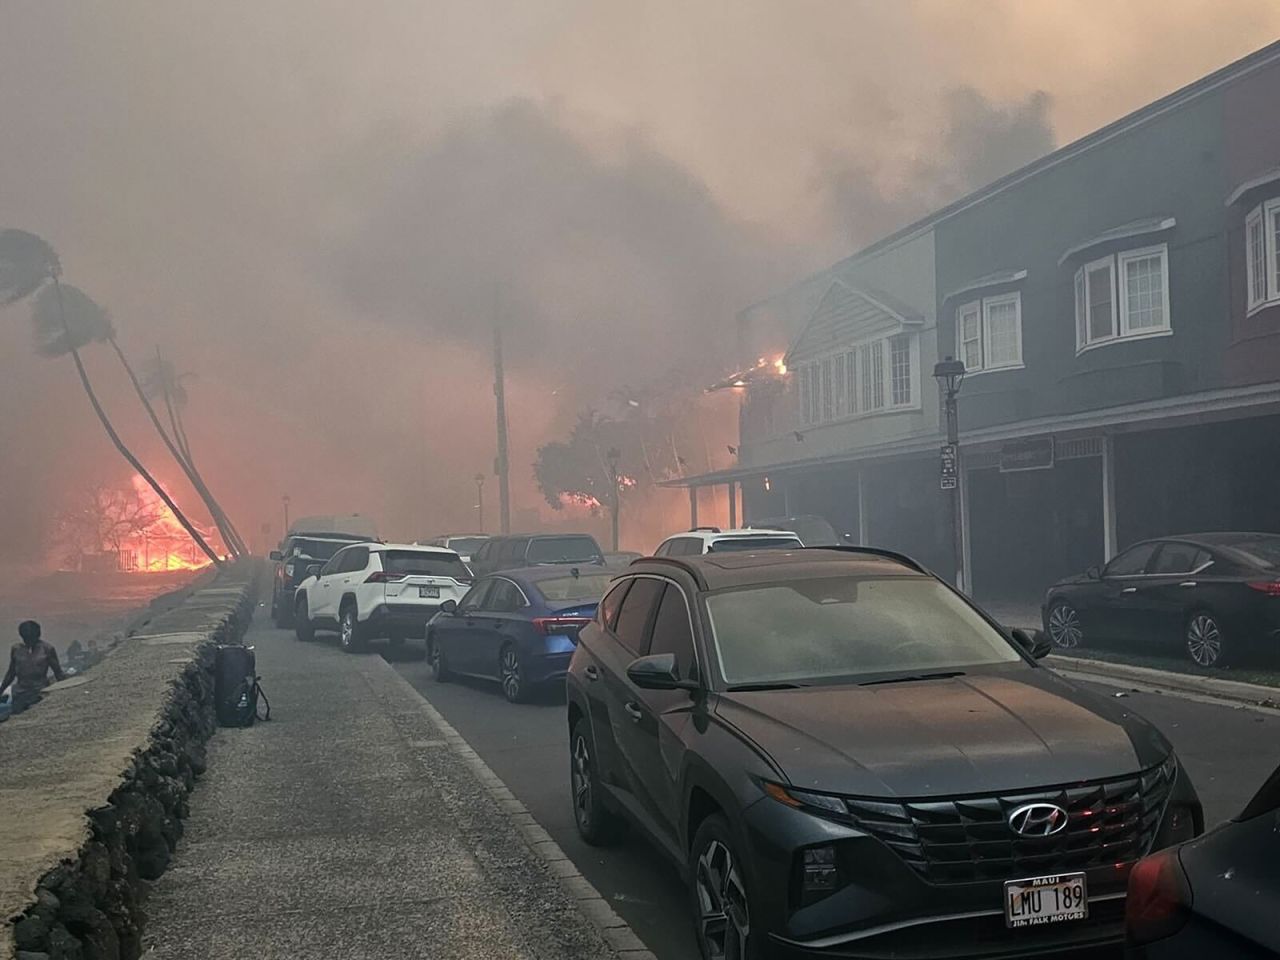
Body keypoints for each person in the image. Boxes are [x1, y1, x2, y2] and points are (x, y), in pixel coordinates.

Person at [0, 621, 66, 716]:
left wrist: (63, 689)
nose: (29, 641)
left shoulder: (47, 649)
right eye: (26, 638)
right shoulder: (16, 649)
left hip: (40, 692)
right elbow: (11, 673)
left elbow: (58, 672)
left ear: (38, 635)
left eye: (31, 638)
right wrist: (1, 690)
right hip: (20, 694)